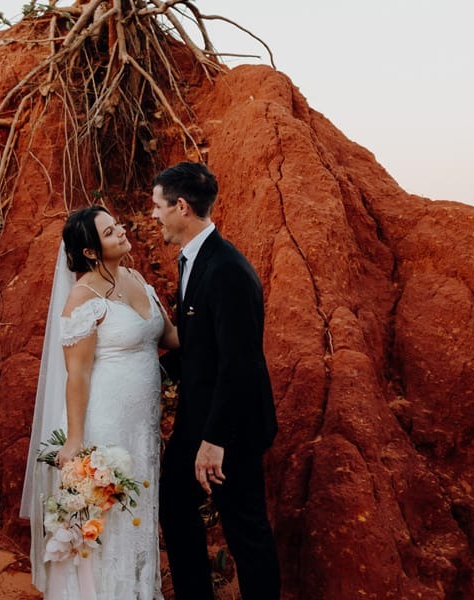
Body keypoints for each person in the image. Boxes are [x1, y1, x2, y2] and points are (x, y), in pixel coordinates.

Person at [20, 205, 177, 599]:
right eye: (110, 232)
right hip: (103, 425)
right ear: (90, 251)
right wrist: (75, 439)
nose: (122, 232)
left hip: (141, 425)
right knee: (108, 521)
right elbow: (78, 374)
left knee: (137, 513)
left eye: (118, 225)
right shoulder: (83, 297)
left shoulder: (136, 277)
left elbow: (171, 337)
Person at [151, 162, 280, 599]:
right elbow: (198, 347)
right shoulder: (193, 260)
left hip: (232, 429)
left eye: (158, 206)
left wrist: (215, 440)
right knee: (174, 503)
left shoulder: (226, 270)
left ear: (181, 207)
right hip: (199, 420)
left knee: (245, 529)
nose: (154, 215)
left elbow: (238, 364)